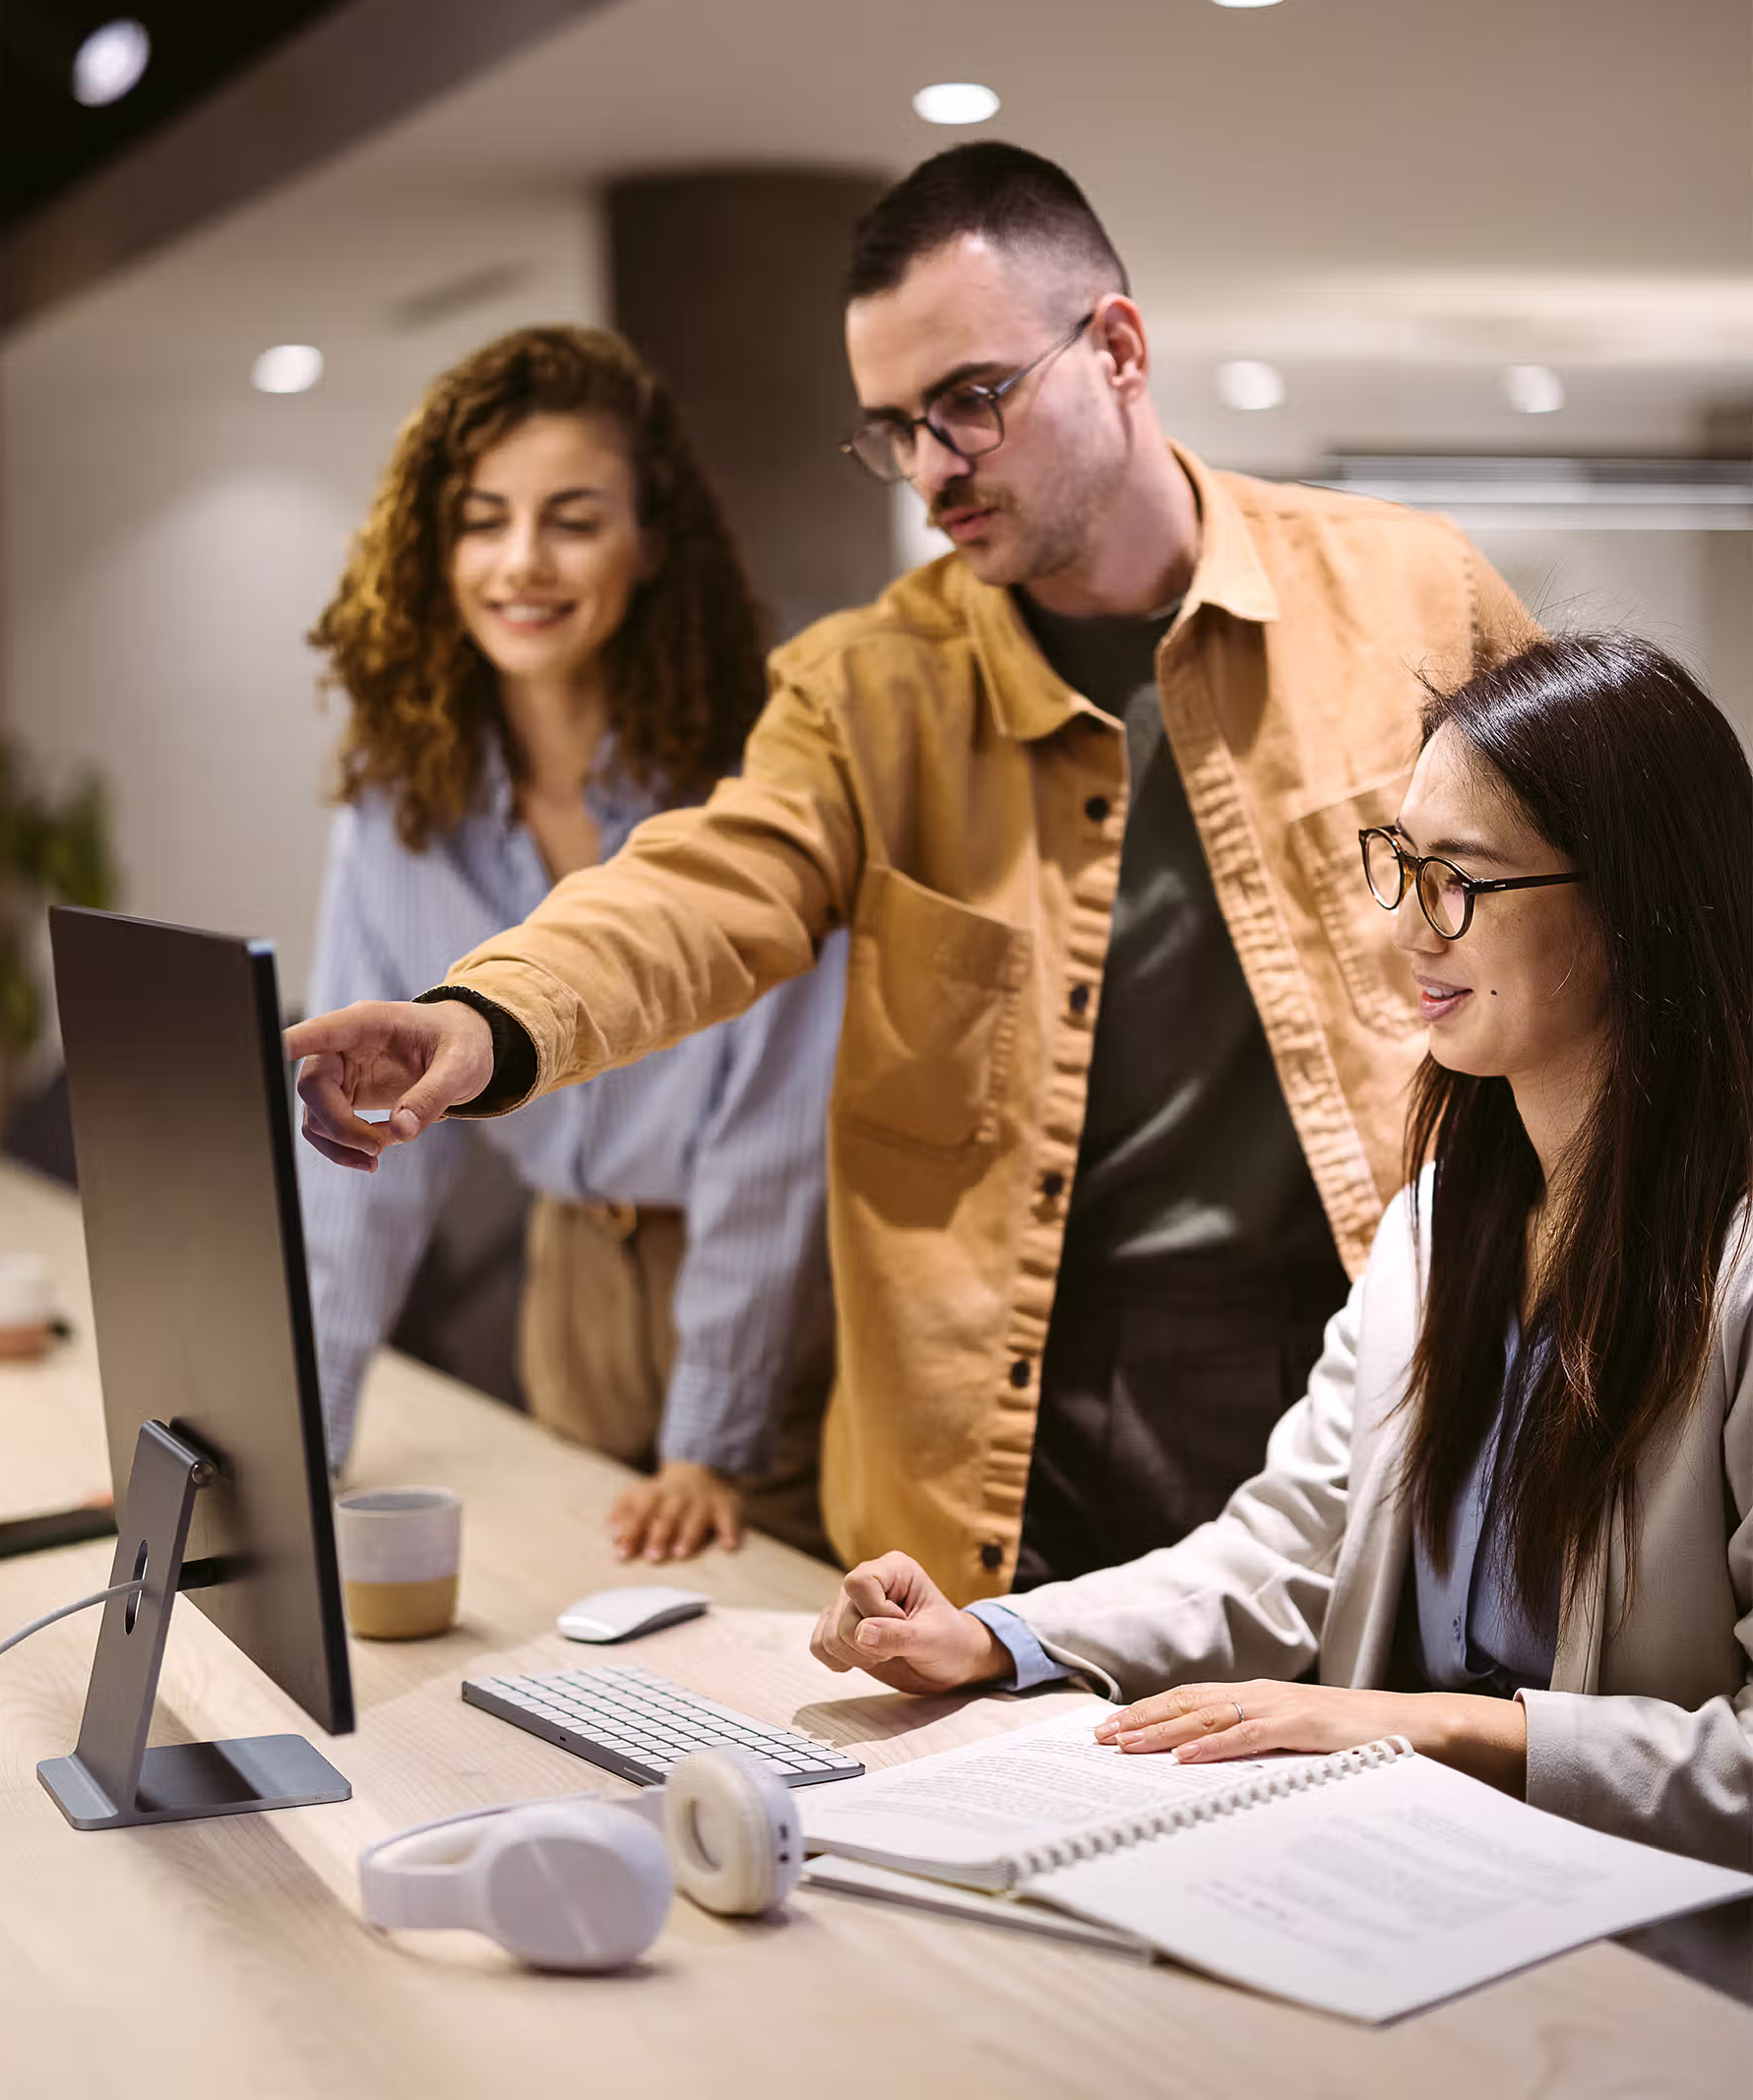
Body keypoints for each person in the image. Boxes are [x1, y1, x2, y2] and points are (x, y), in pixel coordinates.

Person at [287, 144, 1531, 1604]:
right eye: (894, 429)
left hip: (1371, 1345)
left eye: (970, 404)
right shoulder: (868, 686)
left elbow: (1612, 900)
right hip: (1014, 1408)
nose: (936, 466)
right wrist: (485, 1021)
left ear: (1118, 347)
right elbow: (701, 889)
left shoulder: (1408, 592)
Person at [809, 635, 1753, 1874]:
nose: (1409, 931)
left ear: (1636, 898)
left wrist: (1445, 1731)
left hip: (1650, 1963)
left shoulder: (1733, 1268)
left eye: (1459, 879)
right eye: (1402, 865)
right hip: (1404, 1872)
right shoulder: (1439, 1222)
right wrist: (991, 1638)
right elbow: (1287, 1554)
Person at [300, 325, 845, 1561]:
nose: (521, 563)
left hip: (774, 1292)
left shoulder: (749, 778)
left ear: (653, 542)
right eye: (483, 520)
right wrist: (304, 1431)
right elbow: (362, 1145)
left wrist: (710, 1433)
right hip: (571, 1290)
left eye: (574, 519)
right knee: (572, 1643)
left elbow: (776, 1130)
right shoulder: (402, 808)